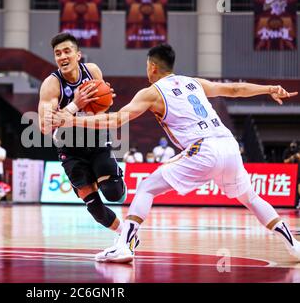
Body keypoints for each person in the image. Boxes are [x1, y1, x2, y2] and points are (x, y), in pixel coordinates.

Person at [50, 43, 300, 263]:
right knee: (251, 198)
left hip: (204, 149)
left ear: (152, 67)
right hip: (229, 145)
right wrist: (269, 89)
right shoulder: (194, 82)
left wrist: (71, 121)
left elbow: (115, 120)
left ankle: (124, 246)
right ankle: (294, 245)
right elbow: (234, 90)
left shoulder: (151, 92)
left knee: (147, 187)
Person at [38, 33, 133, 239]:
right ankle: (124, 233)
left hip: (96, 139)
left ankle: (116, 182)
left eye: (67, 51)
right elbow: (44, 126)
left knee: (113, 193)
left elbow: (102, 106)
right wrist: (75, 104)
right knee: (95, 208)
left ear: (78, 55)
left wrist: (105, 99)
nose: (62, 57)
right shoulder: (51, 85)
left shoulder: (92, 71)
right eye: (57, 53)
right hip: (70, 148)